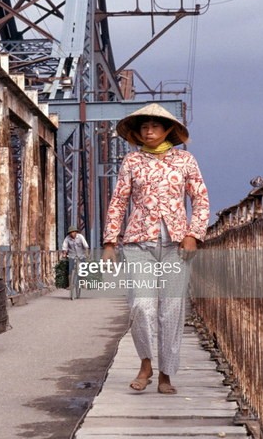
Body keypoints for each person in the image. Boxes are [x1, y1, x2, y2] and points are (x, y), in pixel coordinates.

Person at [102, 103, 209, 395]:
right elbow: (118, 202)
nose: (149, 132)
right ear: (137, 133)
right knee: (141, 305)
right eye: (144, 127)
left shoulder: (185, 161)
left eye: (155, 126)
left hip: (177, 246)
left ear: (167, 130)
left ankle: (166, 374)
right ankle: (146, 364)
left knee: (172, 309)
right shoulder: (131, 162)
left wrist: (193, 235)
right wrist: (110, 242)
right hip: (138, 243)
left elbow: (200, 199)